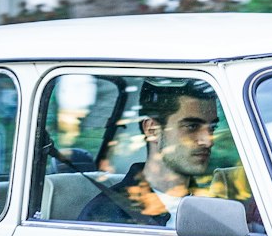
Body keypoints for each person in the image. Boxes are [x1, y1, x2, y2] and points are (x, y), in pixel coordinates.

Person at [79, 82, 219, 225]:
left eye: (212, 128)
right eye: (192, 126)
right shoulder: (105, 216)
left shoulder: (217, 205)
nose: (208, 141)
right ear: (152, 130)